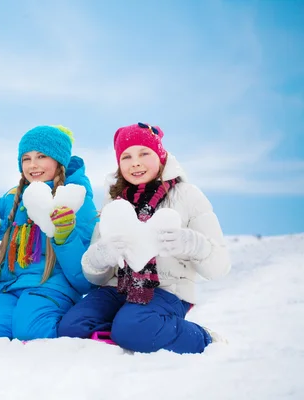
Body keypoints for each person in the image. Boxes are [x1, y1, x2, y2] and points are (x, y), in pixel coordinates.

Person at [57, 122, 231, 354]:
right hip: (116, 288)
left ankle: (203, 338)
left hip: (167, 289)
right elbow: (95, 277)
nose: (135, 162)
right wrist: (102, 255)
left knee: (133, 327)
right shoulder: (116, 201)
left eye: (144, 153)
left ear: (160, 156)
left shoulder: (188, 195)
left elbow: (219, 267)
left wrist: (193, 244)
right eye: (126, 156)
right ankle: (131, 329)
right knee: (72, 326)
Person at [0, 125, 97, 341]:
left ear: (59, 160)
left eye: (41, 156)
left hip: (52, 287)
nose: (33, 165)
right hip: (9, 288)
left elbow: (84, 277)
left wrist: (65, 236)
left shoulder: (77, 202)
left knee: (31, 332)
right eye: (26, 158)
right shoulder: (15, 198)